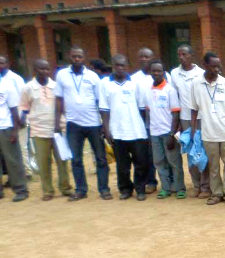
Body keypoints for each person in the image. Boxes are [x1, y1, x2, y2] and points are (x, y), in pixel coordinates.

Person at [55, 46, 111, 201]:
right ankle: (81, 190)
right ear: (69, 57)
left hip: (93, 123)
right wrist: (56, 122)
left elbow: (100, 101)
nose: (77, 59)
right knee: (76, 159)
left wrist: (104, 126)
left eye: (79, 56)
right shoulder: (62, 75)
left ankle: (104, 189)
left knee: (100, 157)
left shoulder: (92, 76)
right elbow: (59, 99)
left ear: (84, 57)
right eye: (74, 56)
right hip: (73, 124)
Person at [99, 55, 150, 201]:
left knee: (141, 162)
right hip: (117, 131)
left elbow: (141, 108)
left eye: (123, 66)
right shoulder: (105, 84)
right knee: (122, 165)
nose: (120, 68)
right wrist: (107, 130)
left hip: (136, 130)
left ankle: (140, 189)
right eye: (117, 65)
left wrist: (144, 128)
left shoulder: (134, 83)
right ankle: (125, 189)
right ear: (113, 66)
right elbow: (104, 109)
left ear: (127, 67)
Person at [190, 52, 225, 206]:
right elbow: (193, 109)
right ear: (205, 65)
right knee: (214, 167)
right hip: (208, 133)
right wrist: (193, 130)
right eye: (214, 66)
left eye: (219, 66)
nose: (217, 69)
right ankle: (216, 193)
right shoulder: (196, 84)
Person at [20, 59, 71, 201]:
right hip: (39, 130)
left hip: (58, 129)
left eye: (47, 69)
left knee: (62, 160)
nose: (45, 72)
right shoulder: (28, 88)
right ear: (34, 70)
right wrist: (24, 120)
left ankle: (65, 187)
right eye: (41, 69)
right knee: (44, 162)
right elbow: (24, 107)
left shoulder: (56, 86)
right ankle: (48, 191)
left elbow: (62, 106)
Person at [170, 44, 209, 198]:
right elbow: (175, 98)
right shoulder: (174, 73)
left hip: (202, 119)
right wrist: (178, 122)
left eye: (184, 54)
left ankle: (206, 186)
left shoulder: (201, 73)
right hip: (185, 119)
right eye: (179, 54)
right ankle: (197, 185)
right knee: (191, 153)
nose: (181, 57)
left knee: (203, 152)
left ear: (191, 55)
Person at [143, 60, 185, 199]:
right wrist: (149, 131)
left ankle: (179, 188)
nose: (156, 73)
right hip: (154, 133)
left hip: (168, 132)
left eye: (159, 71)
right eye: (153, 71)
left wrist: (172, 134)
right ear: (150, 72)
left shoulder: (170, 90)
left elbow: (175, 114)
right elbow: (148, 113)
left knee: (174, 161)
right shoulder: (148, 91)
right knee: (159, 161)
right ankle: (165, 188)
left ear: (163, 72)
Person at [130, 47, 162, 194]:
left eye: (147, 56)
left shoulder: (160, 76)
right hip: (140, 116)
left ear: (152, 58)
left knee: (156, 152)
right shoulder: (134, 78)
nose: (144, 59)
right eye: (141, 56)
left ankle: (167, 181)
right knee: (144, 153)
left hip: (158, 117)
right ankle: (150, 181)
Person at [0, 55, 26, 201]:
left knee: (13, 160)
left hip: (6, 126)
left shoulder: (7, 85)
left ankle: (21, 189)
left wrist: (15, 130)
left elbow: (14, 109)